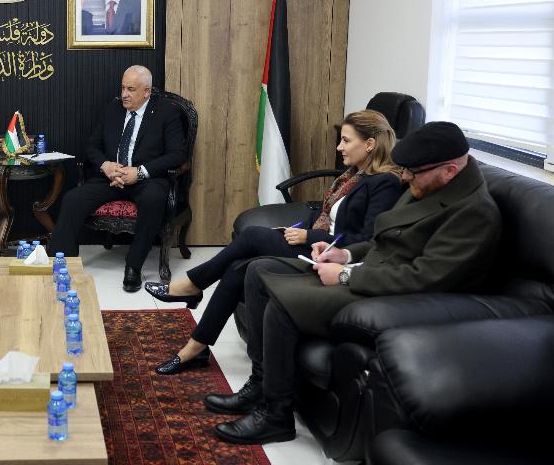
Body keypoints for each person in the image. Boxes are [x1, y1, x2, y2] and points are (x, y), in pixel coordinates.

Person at [208, 121, 502, 445]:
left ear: (449, 171)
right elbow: (383, 238)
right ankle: (260, 384)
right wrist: (344, 254)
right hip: (369, 268)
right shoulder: (429, 182)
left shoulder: (475, 213)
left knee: (282, 305)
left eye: (411, 172)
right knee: (259, 271)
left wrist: (347, 274)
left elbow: (422, 278)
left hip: (393, 295)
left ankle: (275, 415)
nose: (404, 177)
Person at [145, 110, 403, 374]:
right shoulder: (354, 175)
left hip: (333, 257)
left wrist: (310, 236)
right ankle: (196, 348)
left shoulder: (385, 183)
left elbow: (367, 239)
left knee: (253, 235)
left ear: (369, 144)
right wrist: (300, 229)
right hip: (317, 246)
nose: (339, 147)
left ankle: (192, 285)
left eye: (346, 141)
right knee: (238, 267)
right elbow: (326, 213)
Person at [49, 65, 187, 292]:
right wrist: (106, 166)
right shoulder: (113, 108)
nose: (124, 94)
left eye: (131, 89)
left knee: (153, 200)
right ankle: (63, 264)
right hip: (111, 177)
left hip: (146, 179)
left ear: (146, 92)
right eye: (123, 88)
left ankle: (133, 266)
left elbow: (178, 154)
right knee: (73, 199)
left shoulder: (166, 112)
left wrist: (139, 172)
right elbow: (92, 146)